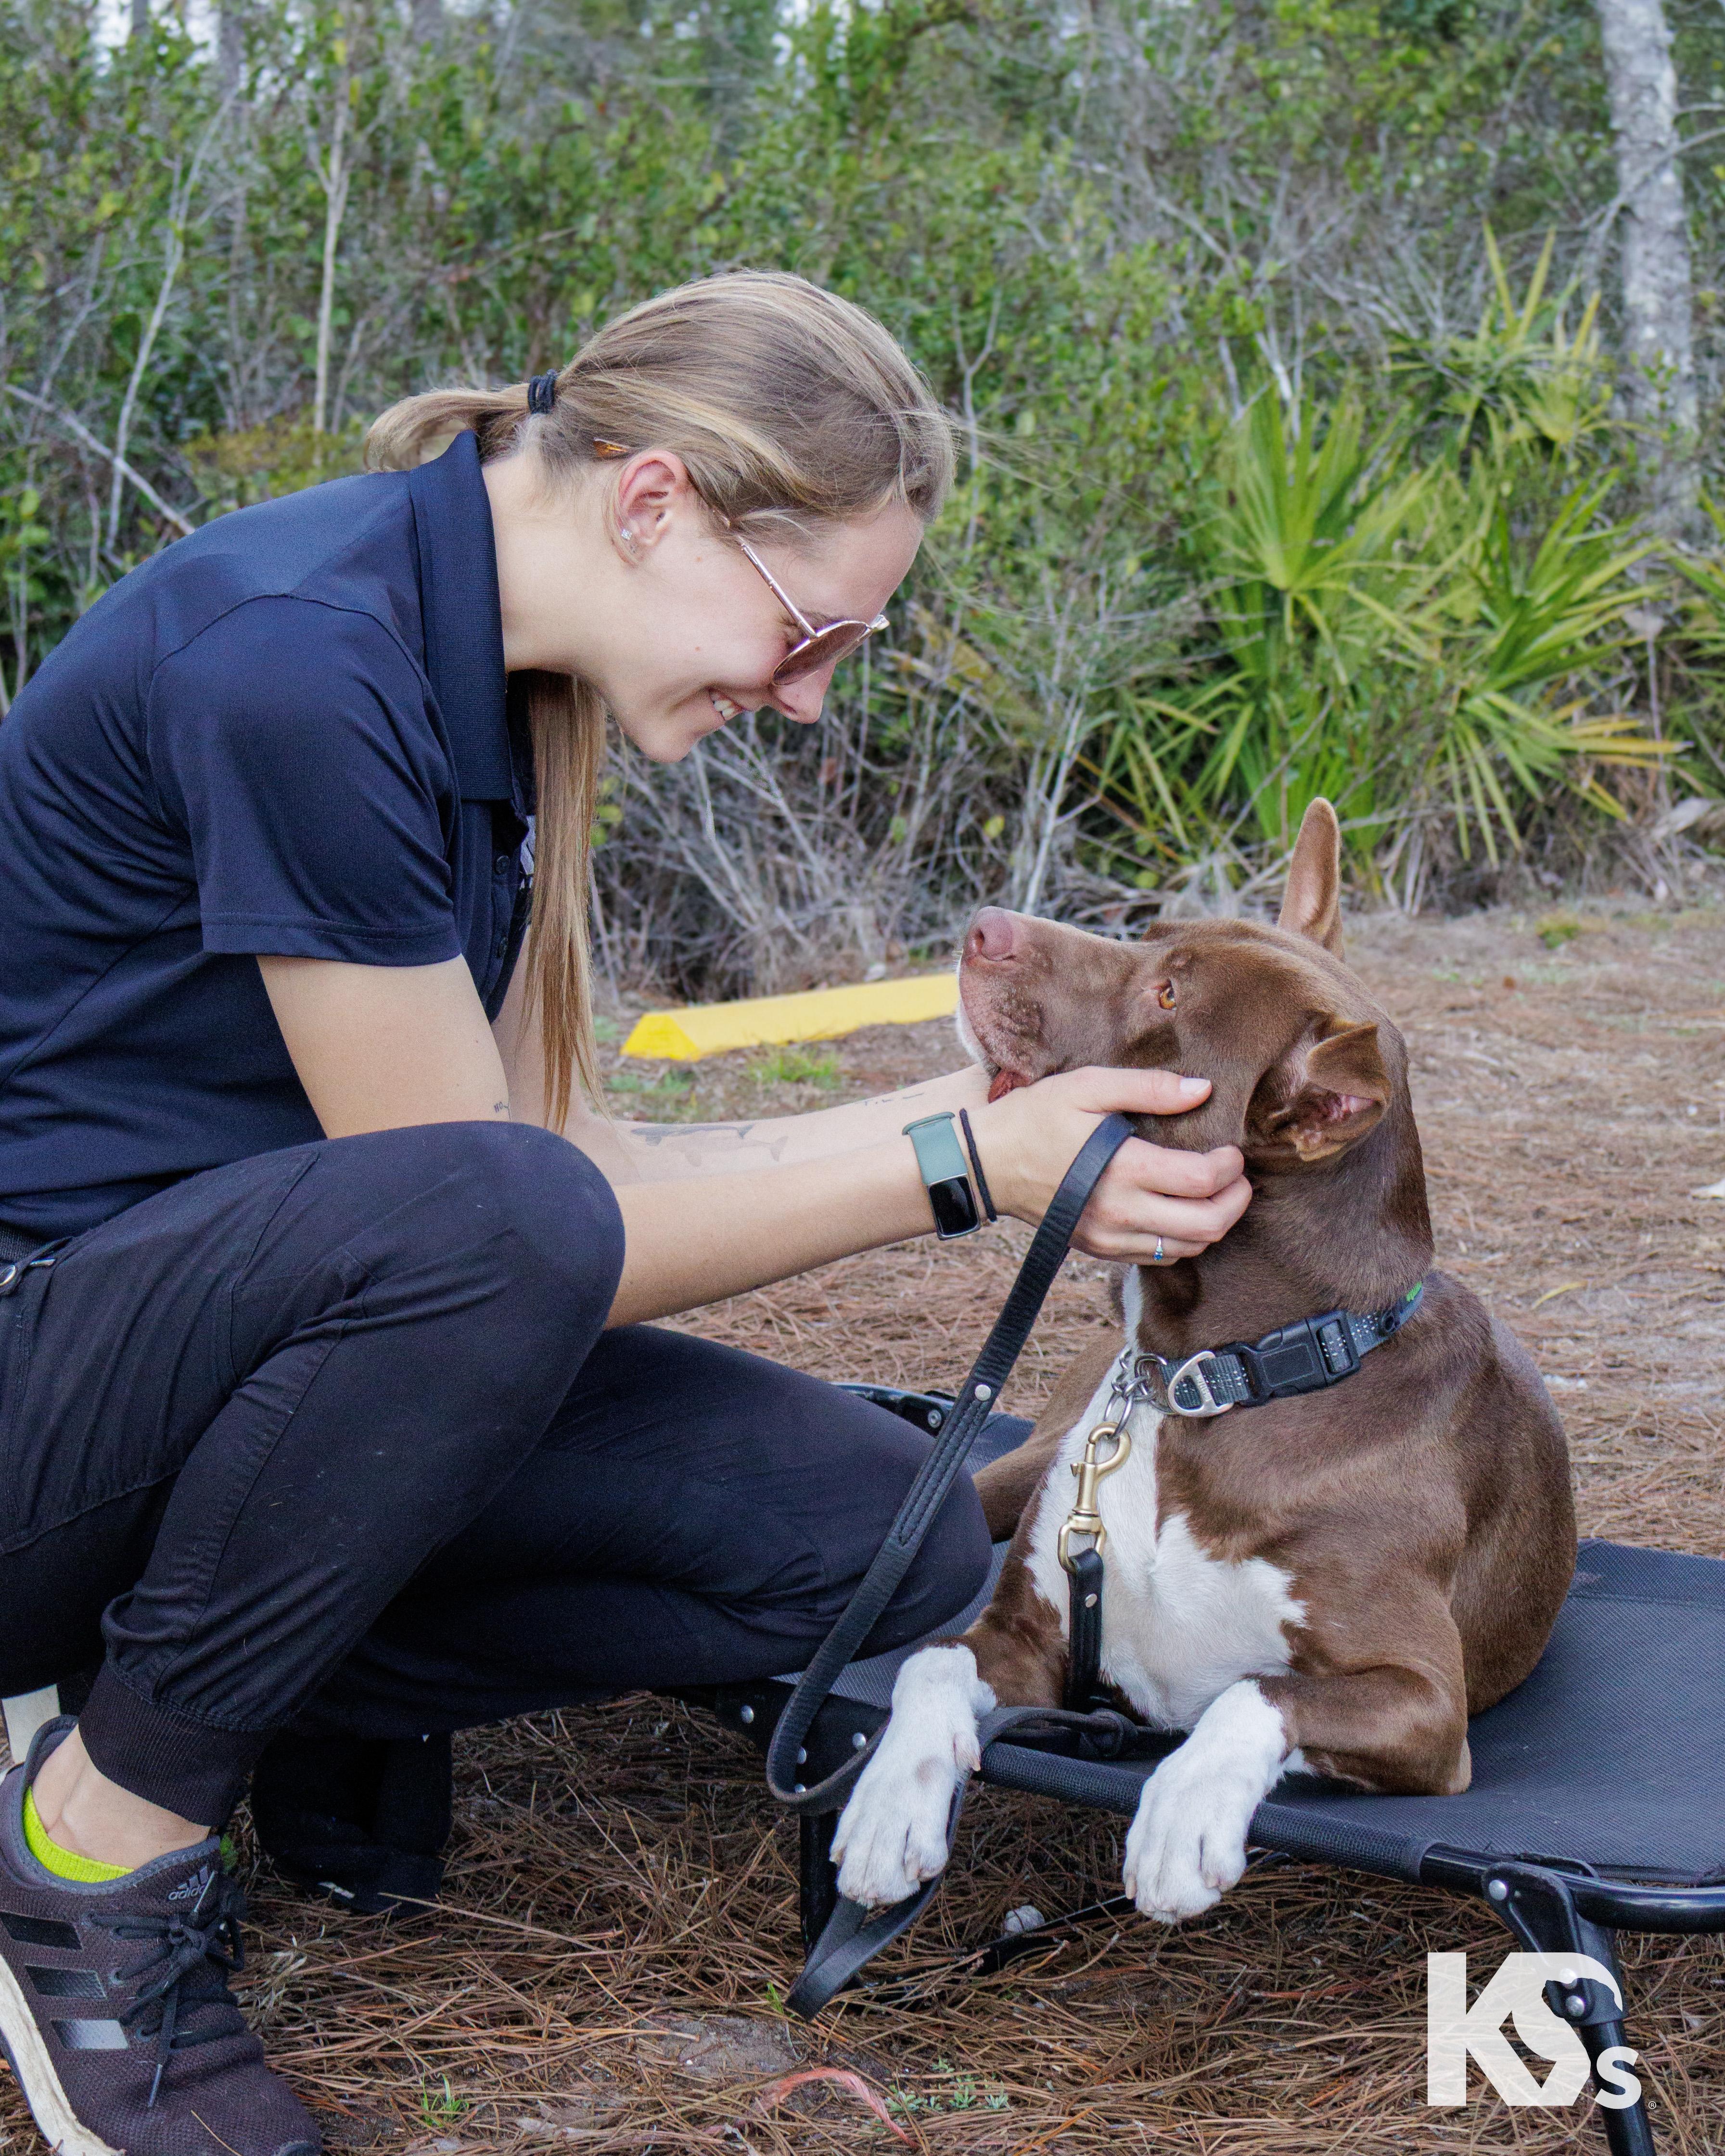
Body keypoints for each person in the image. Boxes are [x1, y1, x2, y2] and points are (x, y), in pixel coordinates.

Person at [0, 271, 1251, 2155]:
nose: (812, 688)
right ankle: (101, 1836)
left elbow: (565, 1165)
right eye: (810, 626)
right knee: (498, 1230)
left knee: (892, 1538)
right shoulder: (294, 662)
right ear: (656, 502)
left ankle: (193, 1663)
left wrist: (1000, 1116)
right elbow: (509, 1228)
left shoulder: (484, 677)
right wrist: (956, 1175)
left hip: (223, 1378)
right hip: (42, 1387)